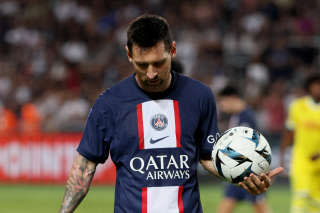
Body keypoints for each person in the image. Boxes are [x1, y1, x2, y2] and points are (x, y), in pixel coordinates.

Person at [59, 14, 283, 213]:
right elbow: (85, 166)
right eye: (142, 64)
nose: (151, 73)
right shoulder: (109, 103)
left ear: (173, 51)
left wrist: (243, 175)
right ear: (128, 54)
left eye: (159, 63)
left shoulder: (200, 96)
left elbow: (207, 156)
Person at [216, 86, 272, 213]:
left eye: (222, 101)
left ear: (233, 98)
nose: (221, 105)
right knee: (227, 205)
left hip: (247, 171)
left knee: (260, 206)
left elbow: (249, 148)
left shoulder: (247, 117)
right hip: (239, 170)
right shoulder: (236, 116)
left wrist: (224, 156)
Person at [280, 73, 320, 213]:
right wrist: (282, 155)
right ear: (309, 88)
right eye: (315, 86)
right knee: (301, 195)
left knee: (317, 201)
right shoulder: (297, 106)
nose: (318, 90)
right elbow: (289, 132)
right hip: (302, 158)